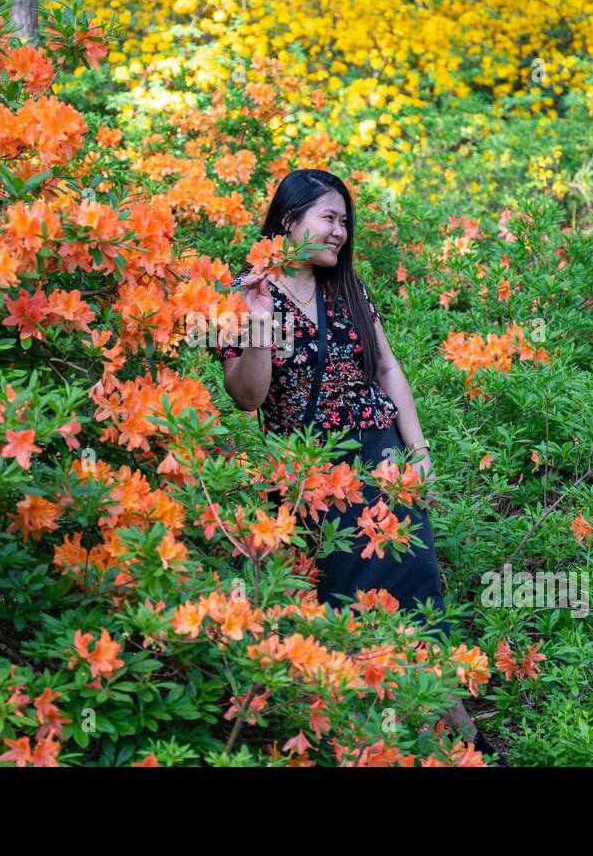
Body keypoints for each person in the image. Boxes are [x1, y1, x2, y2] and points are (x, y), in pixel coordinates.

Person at [214, 167, 490, 753]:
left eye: (344, 222)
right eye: (329, 218)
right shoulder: (246, 293)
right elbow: (247, 397)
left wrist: (418, 452)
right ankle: (358, 739)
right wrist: (260, 324)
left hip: (380, 460)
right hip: (307, 479)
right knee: (335, 605)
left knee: (414, 594)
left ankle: (458, 738)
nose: (340, 232)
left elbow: (387, 370)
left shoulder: (348, 288)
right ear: (288, 221)